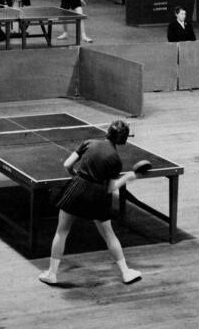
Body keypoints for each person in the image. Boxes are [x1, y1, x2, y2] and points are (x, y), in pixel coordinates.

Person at [38, 120, 144, 286]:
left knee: (61, 232)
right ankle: (125, 272)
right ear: (123, 139)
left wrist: (75, 175)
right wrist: (129, 177)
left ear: (108, 131)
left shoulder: (89, 143)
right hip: (98, 195)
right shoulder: (115, 159)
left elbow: (67, 164)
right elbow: (111, 188)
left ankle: (52, 274)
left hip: (77, 188)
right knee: (109, 235)